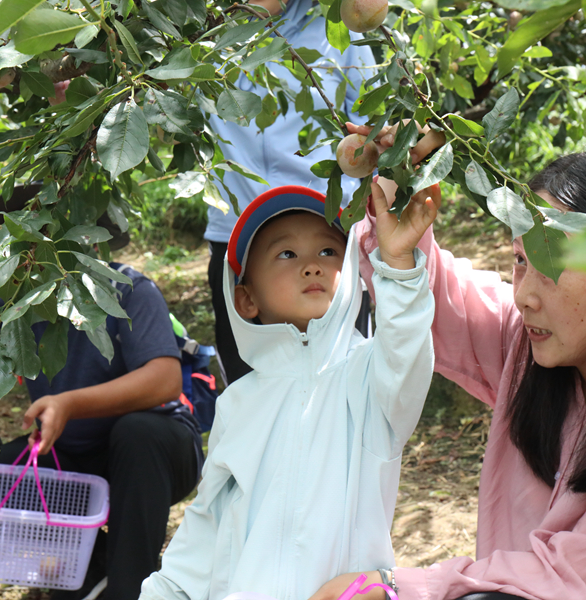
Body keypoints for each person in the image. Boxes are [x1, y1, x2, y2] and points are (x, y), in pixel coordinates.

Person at [307, 144, 586, 600]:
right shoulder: (530, 347)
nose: (524, 295)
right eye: (520, 260)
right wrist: (397, 177)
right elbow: (435, 296)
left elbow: (576, 585)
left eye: (553, 263)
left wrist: (393, 589)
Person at [139, 182, 437, 600]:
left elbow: (407, 349)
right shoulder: (238, 403)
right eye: (286, 254)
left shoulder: (371, 376)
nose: (312, 266)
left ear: (351, 275)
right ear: (246, 299)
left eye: (328, 251)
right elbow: (207, 522)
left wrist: (399, 266)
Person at [0, 260, 203, 600]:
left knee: (137, 433)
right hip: (72, 457)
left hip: (153, 456)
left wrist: (69, 405)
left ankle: (131, 589)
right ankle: (93, 572)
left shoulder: (128, 289)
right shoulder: (11, 303)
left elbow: (164, 380)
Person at [205, 0, 377, 384]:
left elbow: (372, 133)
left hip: (328, 230)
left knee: (347, 377)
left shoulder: (339, 28)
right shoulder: (205, 31)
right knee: (250, 383)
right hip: (239, 238)